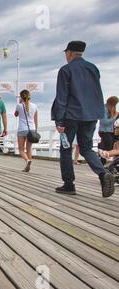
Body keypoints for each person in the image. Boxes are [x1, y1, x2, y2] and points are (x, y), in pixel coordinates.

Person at [51, 40, 115, 197]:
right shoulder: (93, 68)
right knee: (86, 148)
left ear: (70, 53)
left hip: (71, 115)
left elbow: (62, 97)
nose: (66, 56)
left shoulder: (66, 70)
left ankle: (69, 184)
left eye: (66, 53)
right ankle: (102, 173)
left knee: (66, 149)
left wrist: (59, 120)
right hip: (91, 115)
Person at [14, 89, 38, 172]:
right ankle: (28, 166)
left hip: (22, 130)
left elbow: (16, 115)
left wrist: (20, 102)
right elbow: (35, 119)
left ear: (21, 97)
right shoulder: (35, 106)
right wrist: (35, 130)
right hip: (32, 129)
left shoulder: (19, 106)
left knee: (21, 149)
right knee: (29, 149)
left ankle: (27, 161)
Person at [98, 96, 118, 165]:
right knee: (109, 148)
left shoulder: (111, 108)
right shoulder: (104, 109)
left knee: (106, 147)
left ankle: (102, 164)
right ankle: (108, 166)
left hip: (110, 131)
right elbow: (104, 122)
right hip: (105, 131)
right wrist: (114, 117)